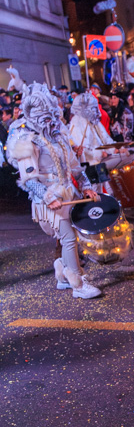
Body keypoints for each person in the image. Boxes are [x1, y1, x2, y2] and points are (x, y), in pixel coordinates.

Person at [5, 83, 102, 298]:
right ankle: (77, 284)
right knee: (68, 238)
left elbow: (75, 168)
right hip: (46, 202)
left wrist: (86, 187)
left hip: (68, 196)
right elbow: (29, 179)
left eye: (51, 115)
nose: (49, 120)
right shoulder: (27, 141)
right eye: (44, 117)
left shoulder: (59, 138)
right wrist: (49, 198)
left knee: (73, 235)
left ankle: (62, 274)